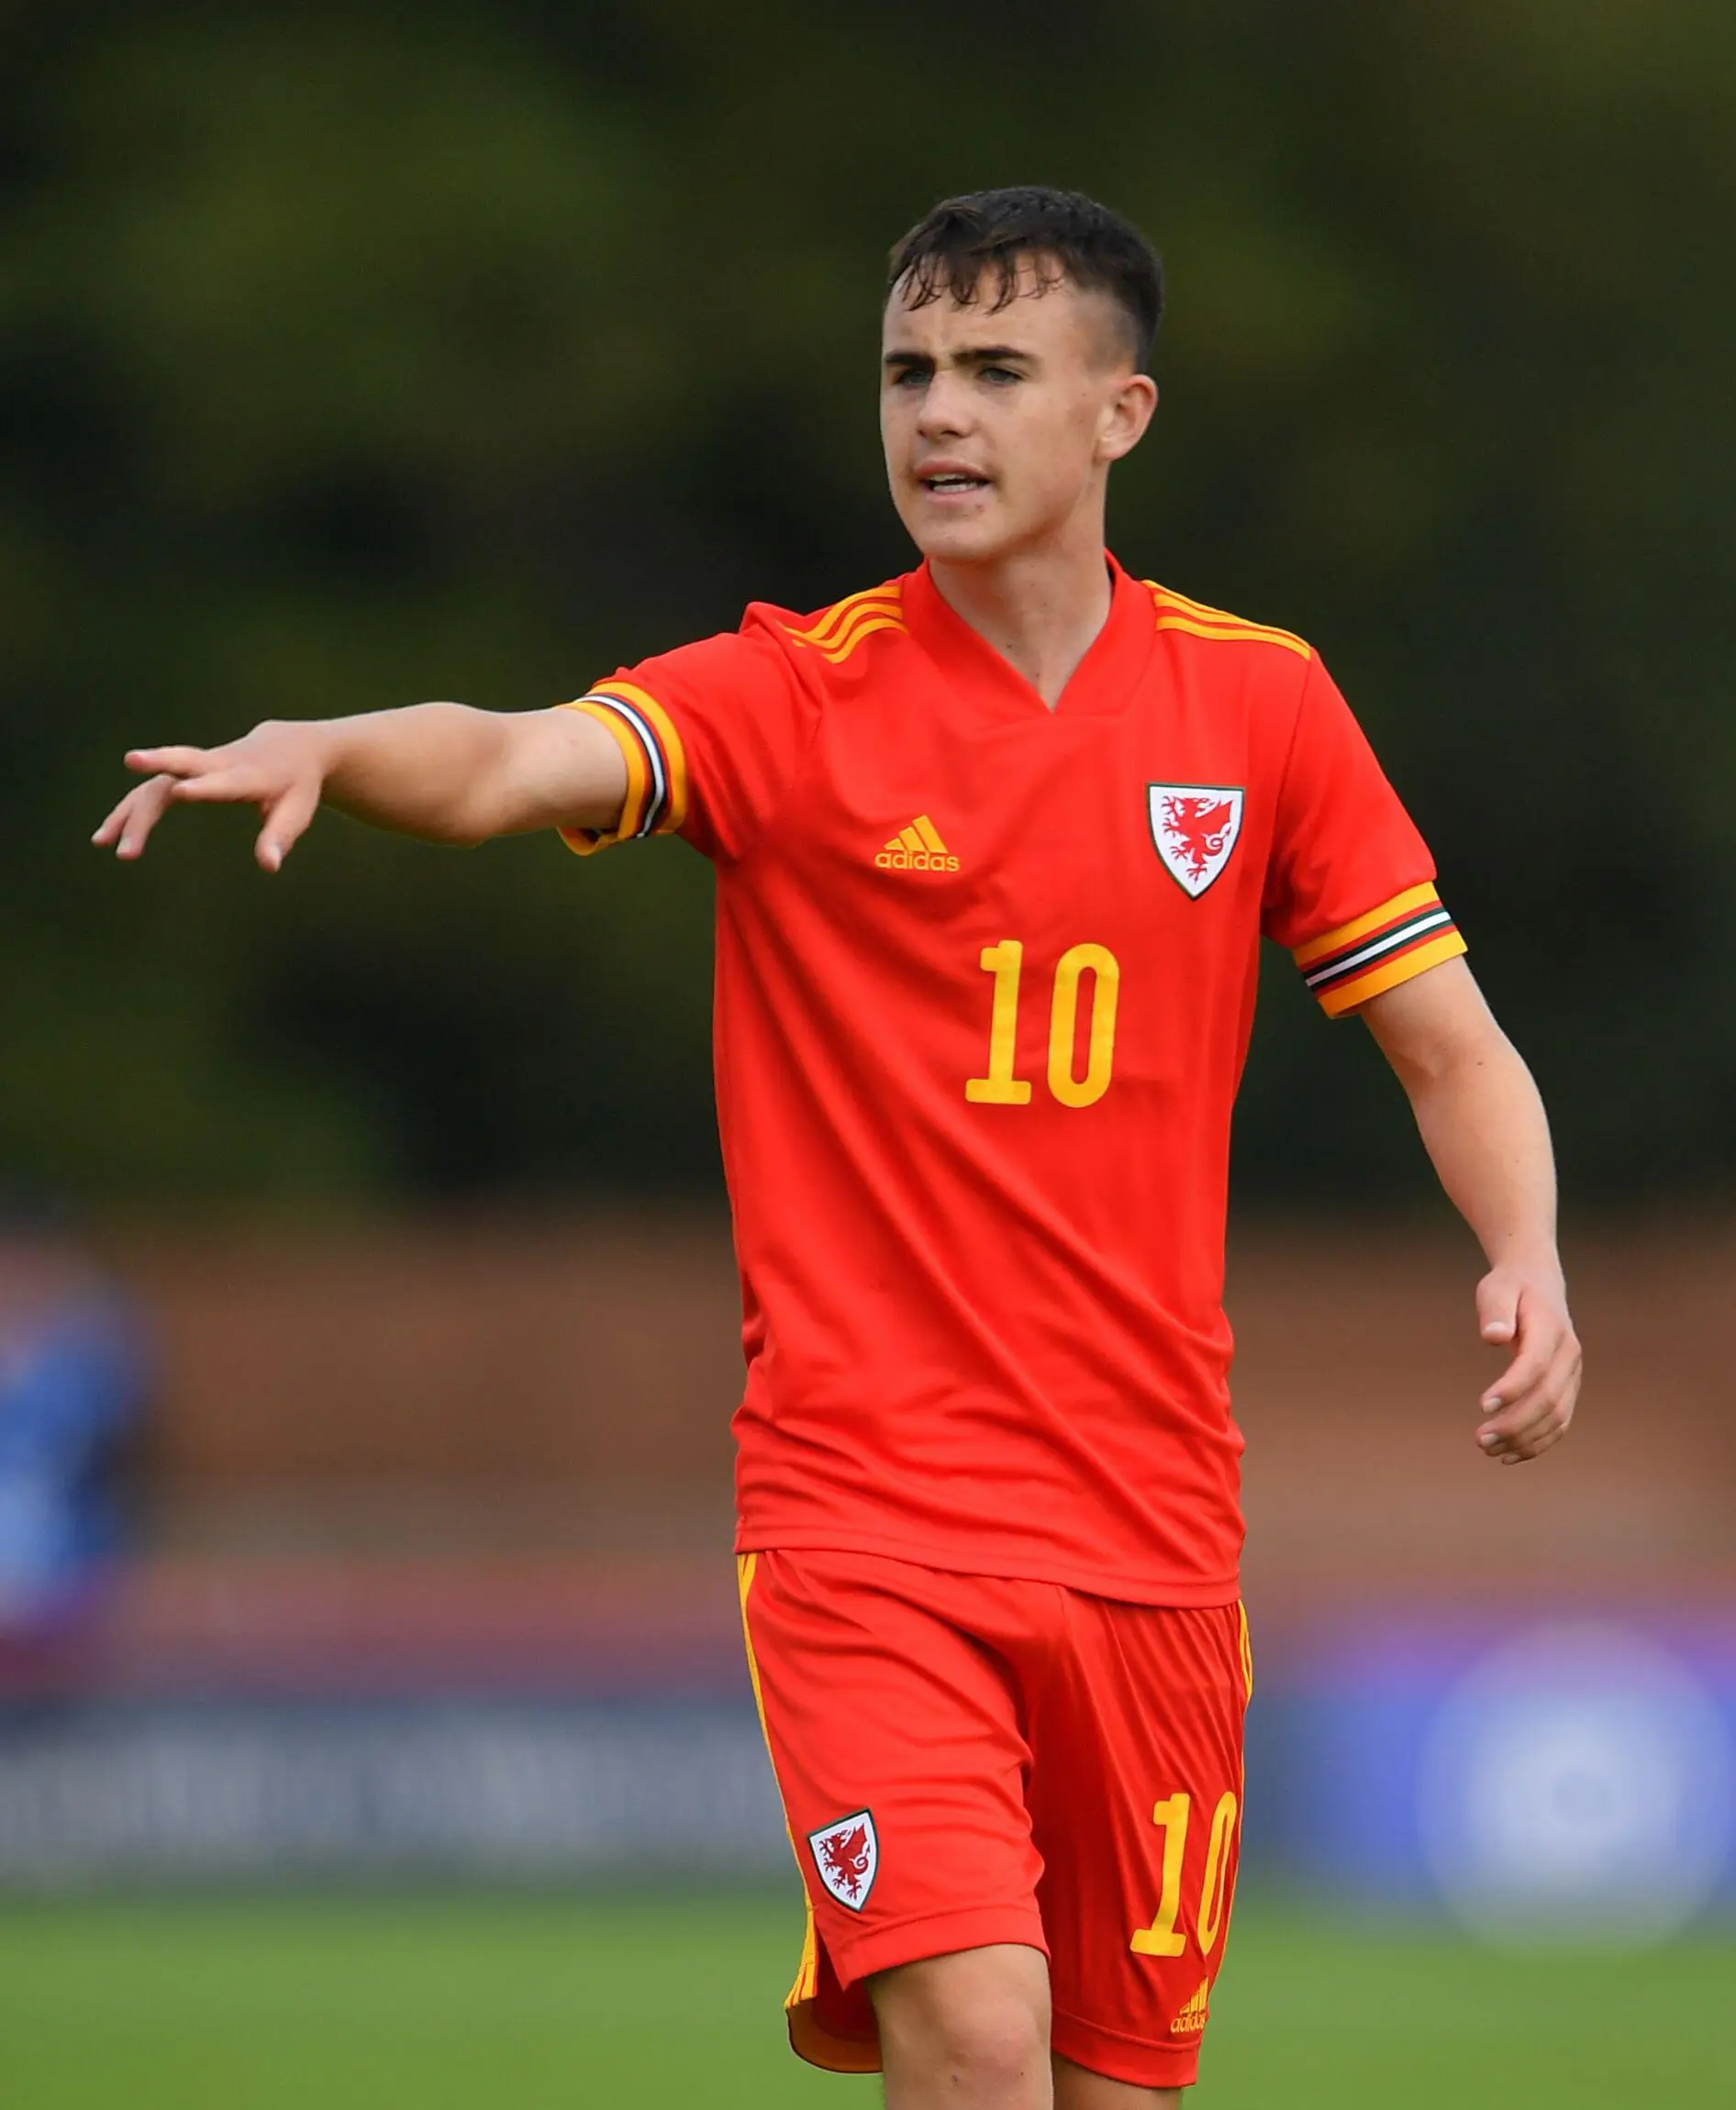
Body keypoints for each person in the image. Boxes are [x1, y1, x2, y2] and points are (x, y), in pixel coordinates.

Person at [94, 187, 1581, 2108]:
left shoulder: (1260, 704)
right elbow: (518, 755)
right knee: (971, 2030)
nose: (934, 416)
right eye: (905, 373)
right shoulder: (787, 698)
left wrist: (1527, 1252)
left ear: (1121, 412)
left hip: (1149, 1528)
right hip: (863, 1514)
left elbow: (1448, 1047)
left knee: (1111, 2085)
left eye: (991, 370)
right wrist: (339, 742)